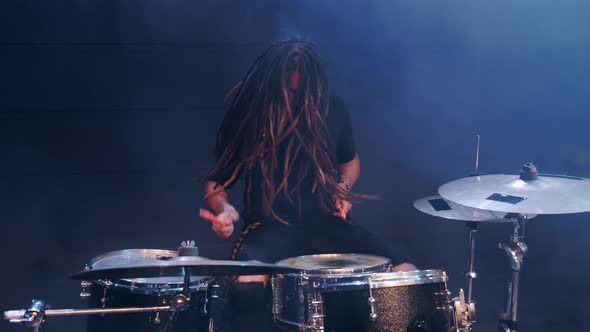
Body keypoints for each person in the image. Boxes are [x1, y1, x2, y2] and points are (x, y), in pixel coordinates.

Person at [199, 39, 415, 331]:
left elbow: (350, 163)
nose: (296, 96)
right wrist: (224, 209)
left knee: (405, 274)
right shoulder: (250, 115)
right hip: (269, 229)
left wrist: (342, 188)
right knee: (247, 288)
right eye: (289, 88)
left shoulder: (333, 109)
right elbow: (217, 183)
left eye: (302, 89)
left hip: (328, 225)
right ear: (274, 80)